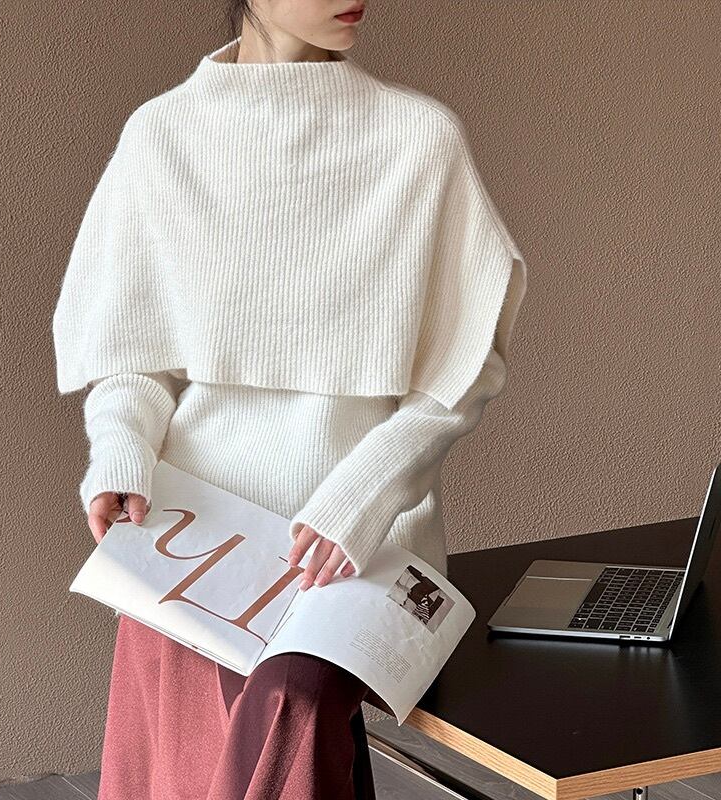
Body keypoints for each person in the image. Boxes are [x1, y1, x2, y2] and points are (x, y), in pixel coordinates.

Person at [52, 2, 528, 798]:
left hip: (365, 543)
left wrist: (362, 497)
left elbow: (462, 371)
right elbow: (132, 359)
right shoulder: (164, 135)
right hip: (198, 529)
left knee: (288, 709)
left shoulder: (418, 138)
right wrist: (122, 453)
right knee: (196, 733)